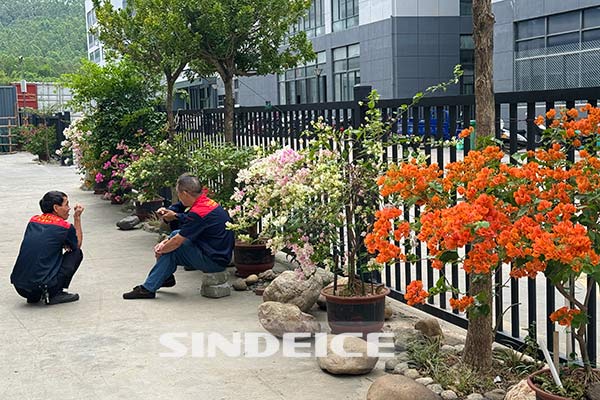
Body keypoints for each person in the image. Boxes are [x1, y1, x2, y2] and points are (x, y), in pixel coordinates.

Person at [123, 174, 234, 299]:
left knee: (172, 250)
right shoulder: (206, 202)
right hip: (218, 253)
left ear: (185, 193)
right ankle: (164, 277)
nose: (179, 198)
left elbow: (176, 242)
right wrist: (166, 242)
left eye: (179, 194)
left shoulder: (198, 212)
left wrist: (160, 249)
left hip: (214, 261)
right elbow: (181, 213)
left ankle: (148, 288)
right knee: (174, 235)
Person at [11, 191, 84, 305]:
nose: (69, 208)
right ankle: (54, 293)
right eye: (66, 205)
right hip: (41, 286)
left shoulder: (33, 221)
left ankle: (35, 295)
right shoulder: (64, 227)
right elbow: (77, 244)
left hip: (20, 287)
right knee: (76, 253)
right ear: (56, 208)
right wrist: (77, 218)